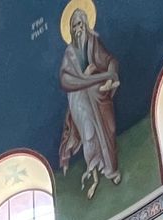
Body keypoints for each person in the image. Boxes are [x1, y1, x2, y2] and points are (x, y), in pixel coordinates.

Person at [58, 6, 122, 198]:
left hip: (97, 95)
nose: (77, 29)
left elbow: (110, 61)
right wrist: (87, 76)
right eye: (74, 25)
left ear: (85, 24)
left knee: (108, 129)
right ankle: (94, 176)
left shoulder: (93, 42)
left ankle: (111, 169)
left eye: (80, 24)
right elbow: (65, 78)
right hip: (79, 100)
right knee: (88, 134)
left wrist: (109, 74)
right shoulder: (70, 53)